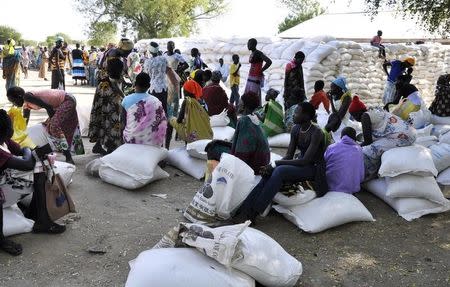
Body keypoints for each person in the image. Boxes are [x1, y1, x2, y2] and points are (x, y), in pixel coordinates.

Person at [233, 102, 327, 224]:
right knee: (269, 172)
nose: (293, 115)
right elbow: (289, 155)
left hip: (313, 168)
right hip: (301, 164)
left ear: (307, 116)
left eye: (297, 112)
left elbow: (306, 160)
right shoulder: (296, 129)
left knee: (280, 171)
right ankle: (245, 209)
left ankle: (254, 212)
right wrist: (270, 166)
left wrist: (276, 163)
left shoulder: (316, 133)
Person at [0, 110, 66, 256]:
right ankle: (2, 239)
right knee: (35, 167)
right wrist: (29, 153)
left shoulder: (3, 140)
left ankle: (38, 215)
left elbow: (23, 149)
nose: (10, 134)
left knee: (40, 168)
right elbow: (27, 162)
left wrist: (28, 152)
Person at [7, 87, 85, 163]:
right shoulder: (26, 104)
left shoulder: (27, 96)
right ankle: (59, 149)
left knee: (54, 127)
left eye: (13, 101)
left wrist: (53, 122)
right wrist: (19, 133)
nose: (14, 104)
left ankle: (68, 156)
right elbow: (25, 120)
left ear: (19, 96)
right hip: (60, 104)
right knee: (49, 126)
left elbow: (48, 107)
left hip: (67, 100)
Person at [348, 96, 416, 180]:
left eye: (353, 115)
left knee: (369, 151)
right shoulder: (373, 111)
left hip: (404, 136)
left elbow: (368, 141)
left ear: (357, 113)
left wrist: (354, 147)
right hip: (409, 132)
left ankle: (367, 175)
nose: (354, 118)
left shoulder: (365, 116)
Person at [89, 38, 134, 155]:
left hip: (101, 89)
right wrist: (123, 96)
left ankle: (98, 145)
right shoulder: (117, 61)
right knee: (112, 118)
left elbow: (108, 73)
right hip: (110, 92)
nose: (128, 54)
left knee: (101, 116)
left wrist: (124, 82)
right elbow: (113, 81)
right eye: (127, 52)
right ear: (122, 49)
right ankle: (111, 148)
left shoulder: (109, 52)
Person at [143, 42, 177, 148]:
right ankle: (164, 144)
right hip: (163, 89)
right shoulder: (163, 59)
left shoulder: (147, 62)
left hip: (152, 90)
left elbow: (146, 77)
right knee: (163, 114)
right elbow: (170, 74)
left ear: (149, 50)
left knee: (153, 116)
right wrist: (175, 87)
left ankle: (154, 142)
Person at [121, 73, 167, 146]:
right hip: (152, 142)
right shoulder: (155, 101)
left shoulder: (126, 100)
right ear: (149, 86)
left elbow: (123, 122)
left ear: (135, 84)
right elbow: (162, 123)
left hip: (131, 140)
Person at [324, 127, 364, 194]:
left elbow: (323, 164)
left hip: (330, 187)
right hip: (350, 189)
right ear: (354, 138)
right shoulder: (359, 150)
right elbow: (361, 174)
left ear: (341, 137)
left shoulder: (331, 147)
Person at [245, 38, 272, 107]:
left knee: (253, 95)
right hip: (251, 77)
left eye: (249, 44)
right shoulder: (253, 53)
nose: (248, 45)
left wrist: (261, 70)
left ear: (254, 45)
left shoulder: (258, 53)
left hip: (256, 77)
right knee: (249, 94)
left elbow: (269, 61)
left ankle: (254, 110)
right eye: (248, 43)